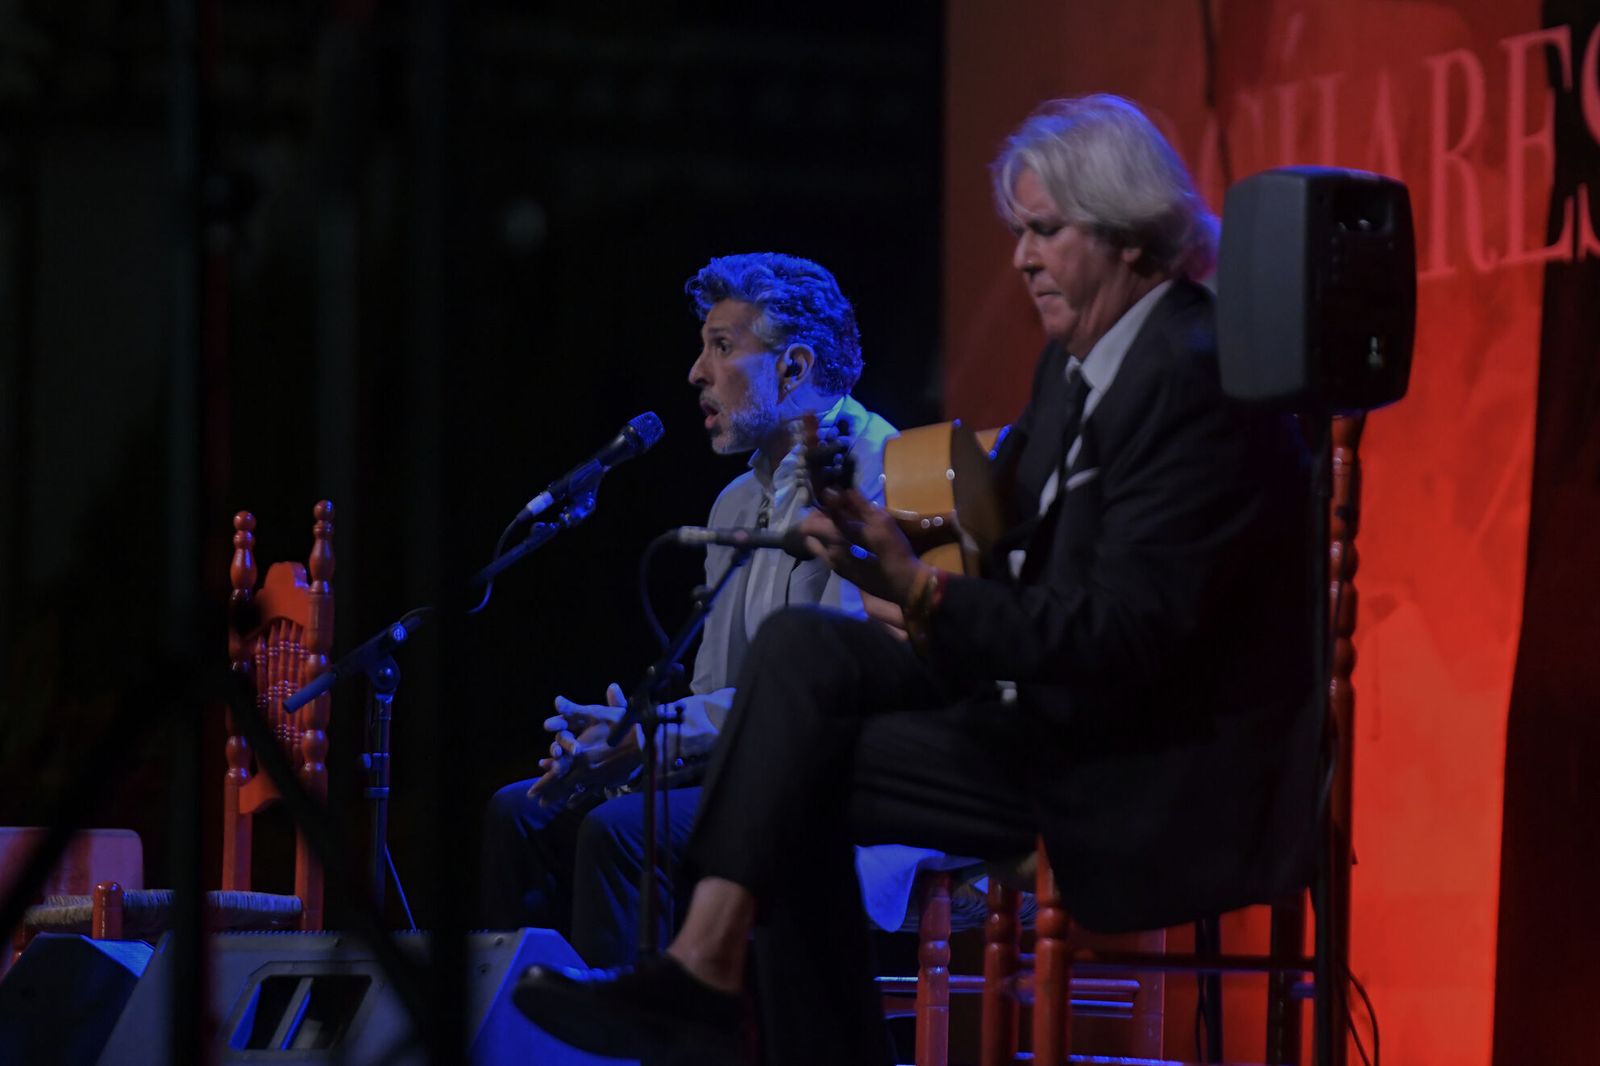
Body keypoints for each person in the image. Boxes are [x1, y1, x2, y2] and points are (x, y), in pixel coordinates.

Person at [512, 94, 1322, 1065]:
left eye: (1044, 231)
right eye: (1018, 231)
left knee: (791, 767)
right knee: (801, 656)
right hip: (1044, 718)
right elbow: (1003, 556)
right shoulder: (1072, 369)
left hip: (1143, 759)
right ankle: (703, 970)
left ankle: (708, 979)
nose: (1020, 258)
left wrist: (924, 593)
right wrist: (888, 558)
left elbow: (1122, 637)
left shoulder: (1197, 376)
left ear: (1133, 237)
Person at [480, 251, 900, 968]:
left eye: (723, 347)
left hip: (835, 782)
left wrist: (657, 734)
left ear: (794, 367)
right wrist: (624, 742)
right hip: (746, 768)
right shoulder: (735, 501)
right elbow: (714, 698)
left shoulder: (878, 475)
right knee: (520, 812)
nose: (696, 373)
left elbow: (831, 699)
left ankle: (638, 1045)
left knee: (619, 831)